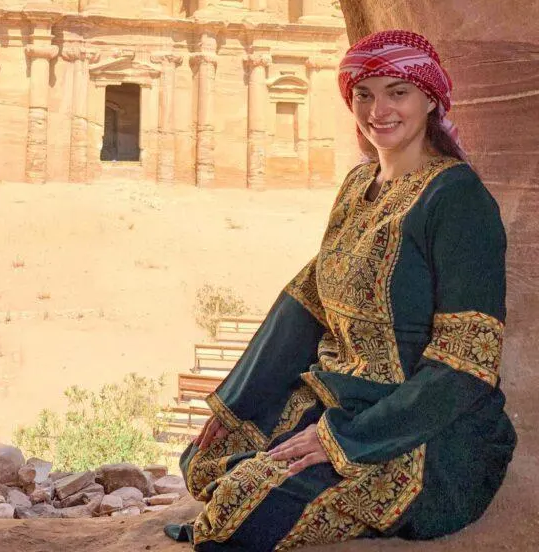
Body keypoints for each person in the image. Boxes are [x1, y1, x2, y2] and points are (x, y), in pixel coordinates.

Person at [165, 30, 516, 551]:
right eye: (364, 93)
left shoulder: (458, 199)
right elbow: (306, 300)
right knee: (206, 460)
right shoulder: (358, 186)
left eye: (398, 91)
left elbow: (466, 365)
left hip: (429, 432)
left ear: (430, 99)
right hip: (347, 391)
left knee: (236, 514)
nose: (379, 109)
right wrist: (233, 404)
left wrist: (341, 441)